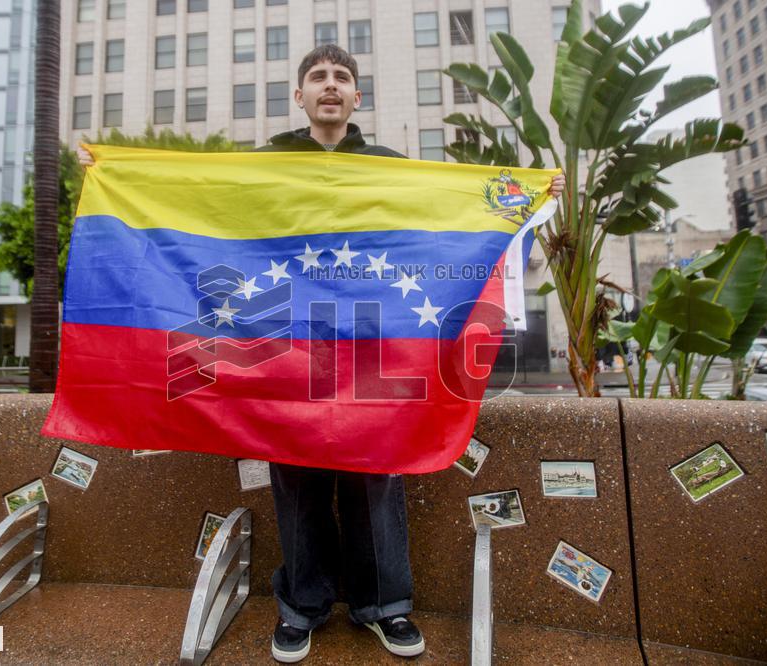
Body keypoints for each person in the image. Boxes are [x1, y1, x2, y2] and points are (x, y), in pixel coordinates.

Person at [78, 43, 564, 664]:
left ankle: (385, 607)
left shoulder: (391, 169)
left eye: (341, 77)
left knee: (377, 475)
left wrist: (531, 193)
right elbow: (192, 195)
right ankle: (302, 609)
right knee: (297, 481)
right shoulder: (265, 166)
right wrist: (114, 172)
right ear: (300, 96)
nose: (329, 85)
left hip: (373, 348)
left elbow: (458, 215)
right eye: (317, 77)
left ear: (357, 97)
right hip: (288, 348)